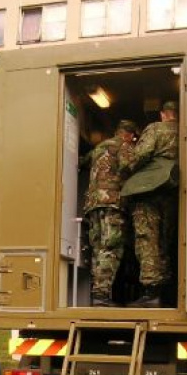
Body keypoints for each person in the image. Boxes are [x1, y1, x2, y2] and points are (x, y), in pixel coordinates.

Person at [122, 100, 179, 307]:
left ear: (163, 114)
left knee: (147, 239)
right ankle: (165, 292)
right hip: (171, 190)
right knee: (164, 239)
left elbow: (141, 154)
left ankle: (151, 292)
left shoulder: (156, 128)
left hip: (148, 190)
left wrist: (126, 167)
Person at [83, 119, 138, 306]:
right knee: (111, 247)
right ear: (129, 135)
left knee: (98, 249)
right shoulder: (124, 146)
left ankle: (96, 294)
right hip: (112, 203)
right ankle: (101, 294)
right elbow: (130, 167)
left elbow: (83, 162)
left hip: (93, 204)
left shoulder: (98, 148)